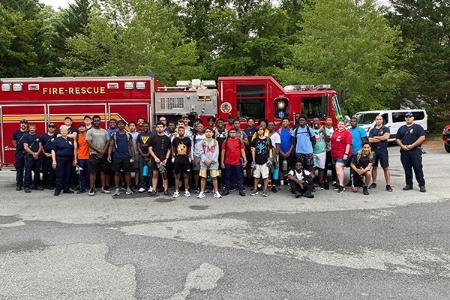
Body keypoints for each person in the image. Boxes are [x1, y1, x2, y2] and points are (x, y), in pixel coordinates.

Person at [396, 112, 426, 192]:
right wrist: (402, 146)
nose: (408, 118)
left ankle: (421, 185)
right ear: (405, 118)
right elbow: (397, 138)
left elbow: (422, 137)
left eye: (410, 116)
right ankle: (409, 184)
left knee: (418, 168)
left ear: (413, 118)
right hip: (404, 151)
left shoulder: (418, 127)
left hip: (415, 150)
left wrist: (412, 145)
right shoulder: (402, 128)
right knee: (407, 169)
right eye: (406, 117)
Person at [108, 120, 134, 196]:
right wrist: (109, 155)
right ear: (117, 125)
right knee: (116, 173)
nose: (120, 125)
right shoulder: (114, 135)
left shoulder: (128, 135)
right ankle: (117, 189)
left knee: (127, 173)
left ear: (124, 125)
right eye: (119, 124)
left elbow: (131, 146)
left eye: (122, 124)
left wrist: (133, 156)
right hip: (117, 157)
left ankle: (128, 188)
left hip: (126, 157)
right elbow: (110, 146)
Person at [86, 115, 110, 195]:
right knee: (93, 172)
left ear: (100, 121)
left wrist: (103, 151)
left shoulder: (104, 131)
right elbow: (89, 143)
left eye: (98, 120)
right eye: (95, 120)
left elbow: (108, 142)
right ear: (93, 122)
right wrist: (99, 151)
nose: (96, 122)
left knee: (103, 172)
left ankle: (103, 188)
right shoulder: (90, 131)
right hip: (93, 154)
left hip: (103, 154)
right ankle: (92, 188)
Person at [368, 115, 392, 192]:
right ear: (375, 120)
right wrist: (380, 138)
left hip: (383, 151)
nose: (378, 120)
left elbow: (386, 137)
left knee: (385, 167)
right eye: (377, 119)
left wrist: (376, 137)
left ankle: (388, 184)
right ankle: (374, 182)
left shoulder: (386, 128)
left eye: (380, 119)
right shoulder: (372, 130)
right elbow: (370, 140)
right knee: (374, 167)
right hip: (373, 151)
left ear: (382, 120)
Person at [51, 125, 77, 196]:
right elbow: (53, 150)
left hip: (69, 160)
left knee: (68, 174)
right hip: (60, 159)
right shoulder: (57, 140)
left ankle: (66, 189)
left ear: (68, 131)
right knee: (59, 174)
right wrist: (54, 161)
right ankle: (58, 189)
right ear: (60, 132)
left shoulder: (70, 139)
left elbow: (74, 149)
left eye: (65, 131)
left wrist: (75, 159)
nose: (64, 132)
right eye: (62, 131)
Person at [221, 128, 247, 196]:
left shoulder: (239, 141)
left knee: (239, 176)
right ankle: (227, 190)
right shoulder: (225, 141)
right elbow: (223, 152)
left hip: (237, 162)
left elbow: (242, 150)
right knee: (227, 176)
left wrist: (245, 160)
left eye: (234, 132)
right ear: (229, 133)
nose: (232, 133)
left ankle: (241, 190)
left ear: (236, 133)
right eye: (231, 132)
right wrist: (222, 162)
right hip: (228, 162)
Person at [149, 122, 171, 196]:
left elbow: (169, 150)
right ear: (156, 128)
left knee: (164, 175)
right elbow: (150, 149)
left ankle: (166, 189)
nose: (159, 128)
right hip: (155, 159)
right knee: (154, 175)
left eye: (161, 127)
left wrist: (166, 159)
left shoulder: (167, 138)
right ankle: (154, 190)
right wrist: (155, 157)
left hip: (164, 160)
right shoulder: (153, 138)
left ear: (164, 128)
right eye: (158, 127)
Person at [198, 127, 221, 199]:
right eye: (207, 131)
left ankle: (216, 191)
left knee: (214, 177)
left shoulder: (215, 142)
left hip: (213, 162)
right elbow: (201, 152)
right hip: (204, 162)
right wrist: (205, 160)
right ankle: (202, 192)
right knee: (203, 177)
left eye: (210, 132)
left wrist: (211, 161)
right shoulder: (202, 142)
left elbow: (216, 152)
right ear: (205, 133)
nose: (208, 133)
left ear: (213, 133)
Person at [331, 120, 352, 193]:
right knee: (339, 169)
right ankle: (340, 183)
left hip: (342, 154)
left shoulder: (347, 133)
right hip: (334, 154)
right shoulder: (335, 132)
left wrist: (346, 153)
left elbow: (348, 144)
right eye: (339, 124)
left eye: (342, 124)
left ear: (345, 125)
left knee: (338, 167)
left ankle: (341, 186)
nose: (340, 125)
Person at [250, 126, 273, 197]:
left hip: (265, 161)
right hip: (257, 161)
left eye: (261, 130)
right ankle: (255, 189)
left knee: (265, 177)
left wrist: (270, 159)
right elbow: (253, 151)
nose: (260, 131)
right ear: (257, 132)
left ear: (263, 131)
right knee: (256, 176)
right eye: (258, 130)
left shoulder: (267, 139)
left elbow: (270, 150)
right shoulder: (255, 140)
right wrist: (253, 161)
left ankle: (265, 190)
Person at [347, 116, 368, 186]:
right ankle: (351, 181)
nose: (353, 122)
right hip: (351, 152)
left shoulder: (360, 130)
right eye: (351, 121)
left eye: (354, 121)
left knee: (360, 166)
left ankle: (360, 182)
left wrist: (363, 151)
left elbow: (365, 141)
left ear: (357, 122)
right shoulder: (349, 130)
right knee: (352, 167)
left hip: (359, 152)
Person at [172, 126, 192, 198]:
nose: (181, 132)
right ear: (178, 131)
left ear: (184, 132)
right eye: (179, 130)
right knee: (177, 176)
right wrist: (173, 157)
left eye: (182, 131)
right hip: (177, 159)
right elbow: (173, 149)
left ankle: (186, 190)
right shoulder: (175, 139)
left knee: (186, 175)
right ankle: (176, 191)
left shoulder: (187, 139)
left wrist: (189, 157)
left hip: (185, 159)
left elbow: (189, 149)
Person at [23, 124, 43, 193]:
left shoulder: (38, 136)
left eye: (33, 128)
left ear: (35, 129)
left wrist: (37, 153)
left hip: (37, 156)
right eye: (31, 128)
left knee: (37, 171)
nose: (32, 129)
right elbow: (25, 147)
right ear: (29, 129)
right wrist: (33, 153)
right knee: (28, 172)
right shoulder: (26, 136)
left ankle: (36, 185)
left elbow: (40, 146)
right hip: (29, 156)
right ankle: (27, 186)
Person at [137, 122, 153, 193]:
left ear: (149, 127)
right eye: (144, 126)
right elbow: (138, 146)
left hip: (150, 156)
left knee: (150, 171)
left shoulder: (152, 135)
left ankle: (150, 186)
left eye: (146, 126)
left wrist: (148, 154)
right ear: (142, 127)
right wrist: (143, 155)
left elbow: (153, 145)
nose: (145, 127)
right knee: (142, 171)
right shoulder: (139, 135)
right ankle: (142, 186)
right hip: (142, 156)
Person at [13, 119, 28, 191]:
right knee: (19, 170)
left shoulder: (28, 132)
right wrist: (18, 148)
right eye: (22, 123)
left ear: (27, 125)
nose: (23, 125)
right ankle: (19, 184)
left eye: (25, 123)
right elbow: (14, 142)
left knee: (27, 170)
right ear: (20, 124)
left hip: (27, 153)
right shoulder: (16, 133)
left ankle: (26, 185)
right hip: (19, 153)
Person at [41, 123, 58, 189]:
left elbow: (58, 146)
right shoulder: (43, 136)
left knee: (53, 171)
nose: (51, 128)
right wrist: (44, 153)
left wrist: (52, 154)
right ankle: (44, 184)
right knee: (45, 170)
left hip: (54, 156)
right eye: (50, 127)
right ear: (48, 128)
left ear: (55, 128)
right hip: (45, 156)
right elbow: (41, 145)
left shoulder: (57, 136)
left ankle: (51, 184)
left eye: (53, 127)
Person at [312, 118, 327, 189]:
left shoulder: (323, 129)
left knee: (321, 168)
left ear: (319, 122)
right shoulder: (311, 130)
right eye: (314, 121)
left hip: (322, 151)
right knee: (313, 168)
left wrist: (323, 132)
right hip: (313, 151)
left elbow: (328, 139)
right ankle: (312, 183)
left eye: (317, 121)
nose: (315, 122)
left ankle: (320, 183)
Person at [278, 117, 293, 185]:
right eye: (284, 121)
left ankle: (289, 181)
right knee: (280, 167)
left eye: (287, 121)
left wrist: (289, 152)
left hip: (289, 152)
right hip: (281, 152)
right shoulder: (279, 131)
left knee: (289, 167)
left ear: (289, 123)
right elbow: (277, 143)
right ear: (282, 123)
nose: (285, 122)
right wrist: (280, 152)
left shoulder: (291, 131)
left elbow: (293, 143)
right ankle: (282, 182)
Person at [76, 124, 90, 193]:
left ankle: (91, 187)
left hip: (89, 157)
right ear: (78, 129)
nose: (81, 128)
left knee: (90, 173)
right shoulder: (77, 136)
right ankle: (83, 188)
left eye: (83, 127)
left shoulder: (89, 135)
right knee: (81, 174)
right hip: (80, 158)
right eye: (80, 127)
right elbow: (76, 148)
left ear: (86, 128)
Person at [192, 122, 206, 192]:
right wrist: (192, 158)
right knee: (196, 171)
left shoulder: (206, 136)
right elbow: (192, 147)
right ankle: (196, 186)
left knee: (204, 171)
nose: (200, 127)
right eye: (198, 126)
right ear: (196, 128)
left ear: (203, 128)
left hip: (204, 155)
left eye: (201, 126)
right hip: (196, 155)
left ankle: (203, 186)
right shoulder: (194, 136)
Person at [243, 118, 257, 185]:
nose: (251, 122)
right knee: (248, 165)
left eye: (252, 121)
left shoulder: (256, 130)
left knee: (254, 165)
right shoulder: (244, 131)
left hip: (255, 150)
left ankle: (254, 179)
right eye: (249, 121)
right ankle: (249, 179)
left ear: (254, 123)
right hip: (247, 150)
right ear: (247, 122)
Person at [268, 121, 280, 193]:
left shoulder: (276, 135)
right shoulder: (266, 133)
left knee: (275, 169)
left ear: (274, 126)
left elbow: (278, 146)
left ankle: (274, 185)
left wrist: (275, 156)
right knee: (269, 169)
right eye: (269, 125)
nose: (270, 126)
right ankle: (268, 184)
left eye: (272, 125)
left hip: (274, 154)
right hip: (267, 154)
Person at [128, 121, 141, 190]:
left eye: (133, 125)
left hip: (137, 154)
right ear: (128, 127)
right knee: (128, 170)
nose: (131, 127)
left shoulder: (138, 134)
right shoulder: (126, 134)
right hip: (128, 155)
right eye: (130, 125)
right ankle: (129, 184)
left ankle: (136, 184)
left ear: (135, 127)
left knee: (137, 170)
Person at [324, 117, 335, 189]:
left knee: (333, 165)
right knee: (324, 165)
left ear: (332, 121)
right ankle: (324, 178)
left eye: (330, 120)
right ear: (325, 121)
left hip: (333, 149)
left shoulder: (335, 129)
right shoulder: (323, 129)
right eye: (327, 120)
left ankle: (334, 180)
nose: (329, 121)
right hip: (325, 149)